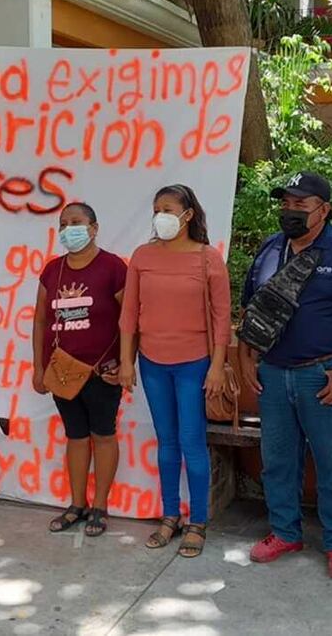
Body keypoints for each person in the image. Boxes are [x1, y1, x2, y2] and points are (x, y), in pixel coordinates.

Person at [239, 171, 332, 581]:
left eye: (300, 205)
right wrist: (245, 357)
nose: (290, 211)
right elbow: (250, 309)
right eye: (285, 204)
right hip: (272, 373)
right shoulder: (270, 249)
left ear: (324, 210)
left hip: (324, 376)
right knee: (278, 460)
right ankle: (284, 531)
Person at [119, 184, 231, 559]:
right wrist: (125, 361)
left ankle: (197, 520)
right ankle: (170, 515)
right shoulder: (142, 256)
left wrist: (216, 367)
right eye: (156, 209)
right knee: (166, 443)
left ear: (188, 215)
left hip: (194, 362)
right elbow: (129, 314)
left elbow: (221, 318)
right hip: (152, 362)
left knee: (191, 441)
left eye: (167, 208)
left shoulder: (207, 258)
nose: (160, 216)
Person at [32, 202, 128, 537]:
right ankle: (77, 504)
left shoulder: (113, 268)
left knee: (103, 435)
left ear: (94, 227)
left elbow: (130, 319)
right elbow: (41, 320)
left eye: (76, 222)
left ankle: (100, 506)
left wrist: (126, 362)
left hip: (103, 371)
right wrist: (38, 367)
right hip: (62, 372)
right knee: (75, 436)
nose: (69, 228)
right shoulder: (52, 270)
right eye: (63, 223)